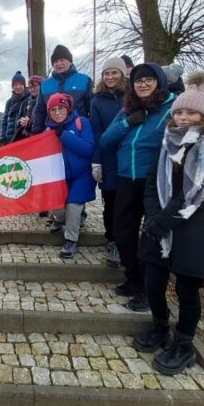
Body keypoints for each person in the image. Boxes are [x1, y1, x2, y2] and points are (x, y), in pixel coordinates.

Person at [133, 71, 204, 375]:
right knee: (152, 282)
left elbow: (200, 191)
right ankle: (160, 326)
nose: (183, 117)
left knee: (188, 289)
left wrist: (163, 220)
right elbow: (152, 182)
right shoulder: (167, 142)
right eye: (179, 111)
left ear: (203, 115)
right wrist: (153, 215)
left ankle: (184, 345)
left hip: (194, 228)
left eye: (190, 111)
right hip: (159, 225)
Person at [99, 63, 176, 312]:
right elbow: (106, 140)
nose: (143, 84)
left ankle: (148, 289)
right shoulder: (127, 110)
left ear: (159, 82)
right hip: (125, 178)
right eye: (138, 80)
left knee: (151, 237)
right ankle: (133, 279)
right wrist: (128, 123)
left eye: (148, 79)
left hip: (153, 180)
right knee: (123, 233)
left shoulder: (171, 109)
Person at [44, 93, 95, 259]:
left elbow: (88, 149)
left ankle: (70, 240)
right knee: (57, 207)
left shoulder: (82, 123)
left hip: (82, 174)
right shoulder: (48, 130)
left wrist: (63, 135)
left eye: (61, 108)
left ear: (68, 109)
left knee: (73, 205)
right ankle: (62, 218)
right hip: (60, 176)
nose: (57, 113)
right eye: (53, 110)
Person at [89, 57, 127, 268]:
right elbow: (95, 132)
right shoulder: (97, 101)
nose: (110, 77)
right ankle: (112, 239)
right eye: (106, 73)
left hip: (129, 157)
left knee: (128, 203)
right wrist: (96, 161)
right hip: (108, 158)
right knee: (111, 202)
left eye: (114, 73)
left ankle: (126, 241)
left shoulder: (131, 97)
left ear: (122, 74)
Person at [31, 45, 93, 134]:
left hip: (78, 133)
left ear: (70, 62)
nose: (58, 64)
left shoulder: (84, 80)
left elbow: (91, 109)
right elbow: (40, 111)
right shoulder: (45, 85)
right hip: (52, 134)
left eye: (62, 60)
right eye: (55, 61)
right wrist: (36, 132)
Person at [0, 71, 28, 144]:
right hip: (10, 140)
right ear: (12, 87)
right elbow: (4, 121)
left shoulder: (29, 99)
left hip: (24, 139)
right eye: (15, 85)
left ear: (24, 85)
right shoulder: (9, 102)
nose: (18, 87)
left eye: (20, 84)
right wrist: (3, 137)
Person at [13, 74, 43, 142]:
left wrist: (29, 122)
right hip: (25, 138)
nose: (32, 89)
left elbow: (44, 121)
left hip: (38, 138)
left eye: (35, 86)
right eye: (30, 87)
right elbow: (17, 120)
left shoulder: (45, 102)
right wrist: (21, 122)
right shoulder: (25, 103)